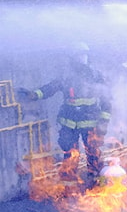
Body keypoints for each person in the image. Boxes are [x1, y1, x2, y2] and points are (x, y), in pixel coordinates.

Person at [17, 42, 112, 184]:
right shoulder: (66, 75)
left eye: (85, 55)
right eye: (79, 56)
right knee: (69, 155)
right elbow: (50, 88)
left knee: (93, 154)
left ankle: (95, 181)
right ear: (73, 58)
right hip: (69, 123)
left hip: (90, 122)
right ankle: (70, 186)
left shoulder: (96, 76)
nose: (82, 59)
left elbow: (106, 99)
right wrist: (34, 94)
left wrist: (103, 123)